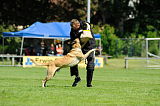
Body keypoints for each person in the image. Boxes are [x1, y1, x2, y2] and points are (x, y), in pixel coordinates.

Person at [70, 19, 96, 87]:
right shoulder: (72, 31)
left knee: (90, 64)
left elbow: (88, 29)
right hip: (79, 48)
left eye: (77, 25)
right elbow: (73, 40)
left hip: (90, 46)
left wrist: (83, 29)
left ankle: (89, 83)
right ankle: (77, 77)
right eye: (74, 26)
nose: (77, 26)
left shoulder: (84, 24)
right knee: (72, 62)